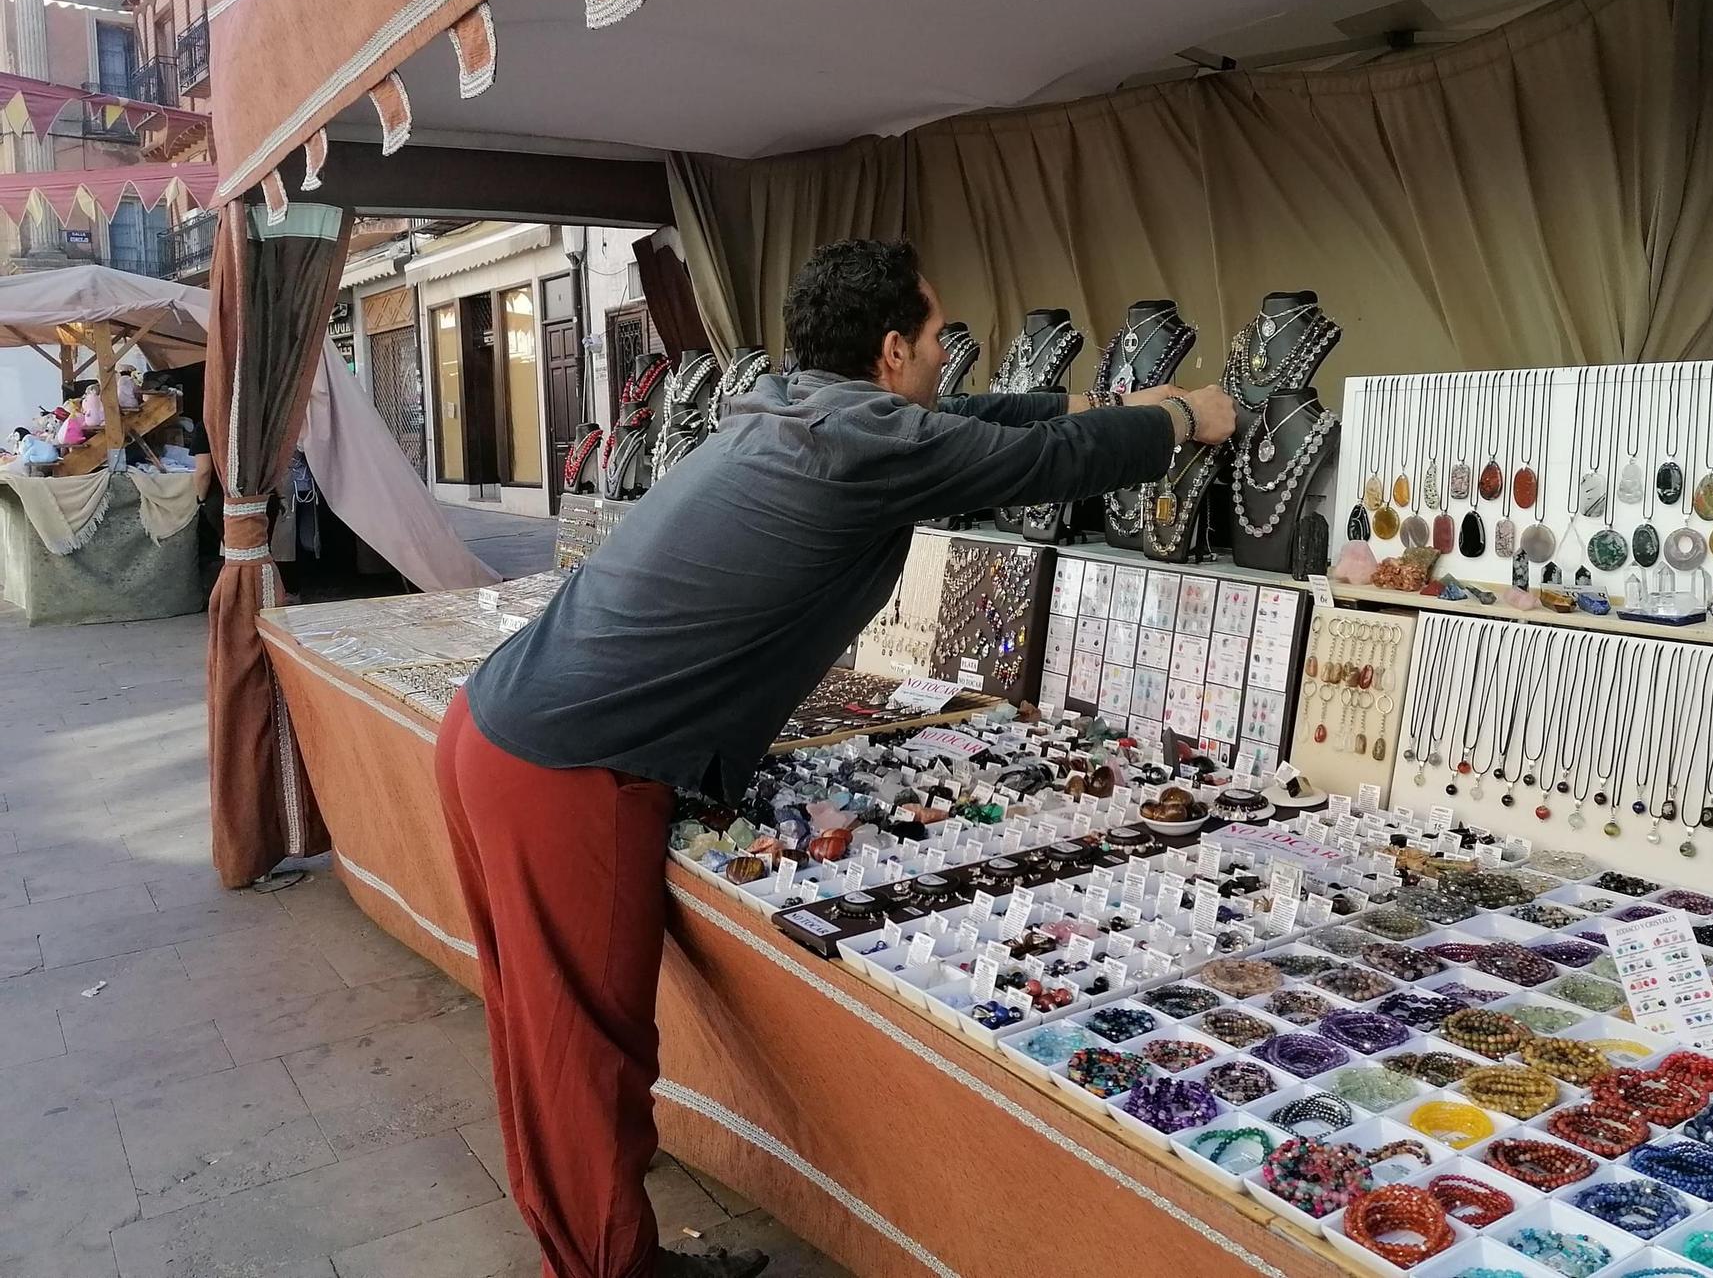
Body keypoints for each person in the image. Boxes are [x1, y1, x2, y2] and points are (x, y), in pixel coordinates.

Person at [439, 239, 1235, 1278]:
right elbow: (1033, 466)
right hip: (568, 771)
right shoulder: (855, 443)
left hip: (507, 733)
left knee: (551, 1037)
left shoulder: (791, 406)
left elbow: (973, 427)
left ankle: (601, 1256)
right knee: (584, 1052)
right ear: (894, 349)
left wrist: (1076, 407)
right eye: (938, 335)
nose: (947, 353)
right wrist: (1180, 421)